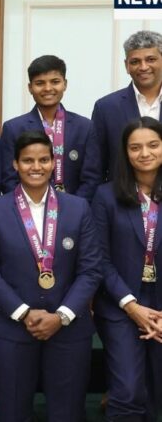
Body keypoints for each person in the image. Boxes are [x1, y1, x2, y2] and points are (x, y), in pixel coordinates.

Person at [0, 130, 102, 422]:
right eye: (28, 160)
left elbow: (91, 268)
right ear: (15, 165)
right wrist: (24, 312)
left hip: (69, 327)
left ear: (54, 163)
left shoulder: (79, 208)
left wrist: (62, 315)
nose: (36, 166)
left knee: (67, 412)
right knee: (13, 410)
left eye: (44, 159)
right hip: (12, 327)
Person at [92, 117, 162, 421]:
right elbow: (99, 259)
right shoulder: (106, 196)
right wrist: (131, 306)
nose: (144, 153)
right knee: (128, 390)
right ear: (125, 152)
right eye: (135, 147)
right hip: (120, 304)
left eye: (153, 145)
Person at [1, 55, 100, 200]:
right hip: (27, 212)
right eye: (40, 83)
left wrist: (75, 209)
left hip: (75, 213)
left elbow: (92, 178)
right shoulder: (13, 128)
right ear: (30, 88)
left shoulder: (85, 127)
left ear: (65, 84)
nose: (48, 88)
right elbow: (8, 179)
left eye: (55, 82)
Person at [93, 30, 162, 181]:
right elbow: (96, 167)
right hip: (122, 200)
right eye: (135, 61)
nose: (143, 67)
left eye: (150, 59)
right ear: (127, 66)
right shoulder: (106, 108)